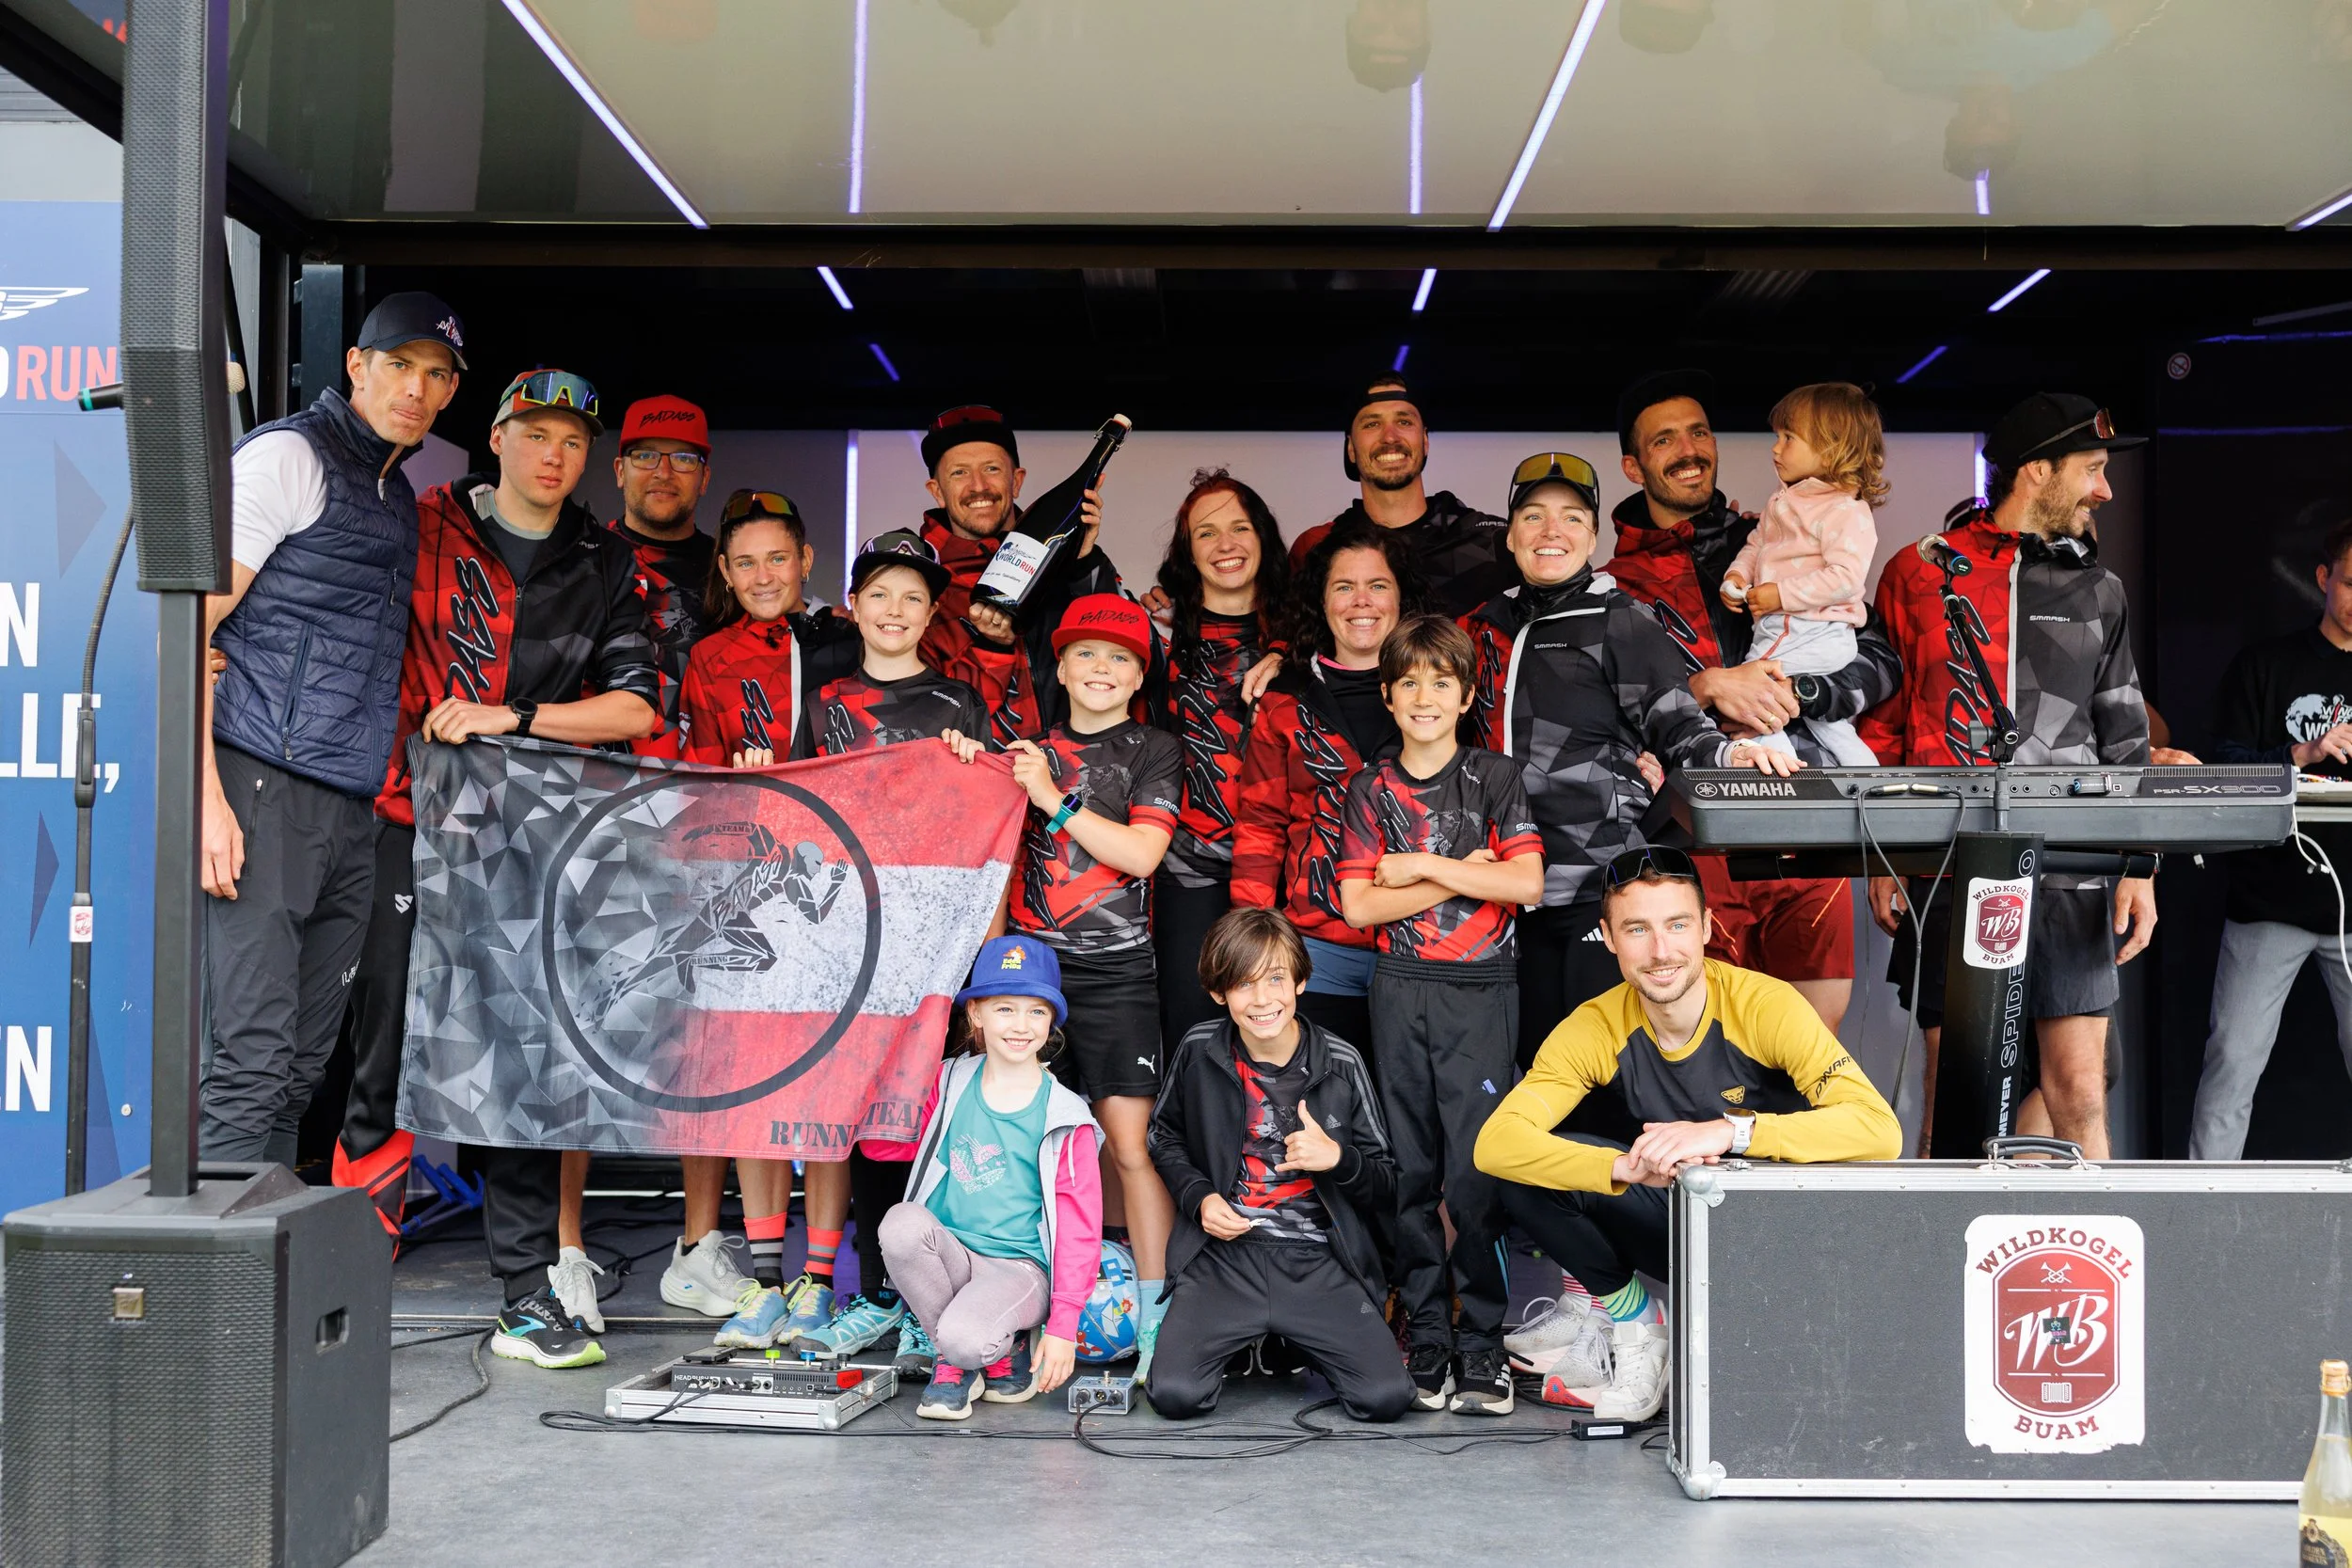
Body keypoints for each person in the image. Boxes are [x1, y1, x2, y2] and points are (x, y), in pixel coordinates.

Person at [336, 368, 660, 1370]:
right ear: (499, 435)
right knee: (382, 1052)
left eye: (573, 438)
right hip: (407, 816)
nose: (554, 454)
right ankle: (347, 1292)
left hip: (533, 837)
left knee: (522, 1065)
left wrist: (511, 718)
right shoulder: (420, 522)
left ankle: (526, 1300)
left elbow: (637, 709)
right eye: (535, 433)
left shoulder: (607, 559)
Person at [1474, 846, 1901, 1419]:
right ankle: (1637, 1325)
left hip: (1785, 1238)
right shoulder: (1597, 1023)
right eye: (1636, 929)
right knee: (1522, 1177)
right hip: (1683, 1224)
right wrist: (1620, 1168)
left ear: (1704, 927)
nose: (1660, 951)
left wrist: (1729, 1132)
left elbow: (1878, 1129)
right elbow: (1496, 1143)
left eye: (1677, 925)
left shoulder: (1765, 1005)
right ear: (1608, 937)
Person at [199, 292, 464, 1164]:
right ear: (356, 365)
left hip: (348, 806)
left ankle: (265, 1288)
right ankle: (218, 1299)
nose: (416, 389)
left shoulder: (394, 489)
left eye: (436, 375)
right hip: (259, 785)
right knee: (250, 1059)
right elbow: (187, 631)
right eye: (399, 367)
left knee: (301, 1067)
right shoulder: (288, 455)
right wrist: (206, 799)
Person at [715, 529, 992, 1361]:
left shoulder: (959, 703)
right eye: (879, 595)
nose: (895, 610)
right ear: (855, 605)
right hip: (837, 940)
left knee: (892, 1120)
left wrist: (975, 764)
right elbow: (803, 811)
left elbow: (989, 810)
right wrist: (763, 772)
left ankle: (880, 1285)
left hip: (924, 949)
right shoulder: (827, 699)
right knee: (823, 1105)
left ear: (932, 611)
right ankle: (810, 1284)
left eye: (913, 597)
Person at [1860, 393, 2157, 1160]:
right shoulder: (1919, 572)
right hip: (1950, 861)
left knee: (2081, 1089)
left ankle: (2102, 1260)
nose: (2105, 490)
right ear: (2036, 470)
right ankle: (1940, 1270)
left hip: (2074, 867)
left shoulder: (2100, 589)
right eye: (2091, 469)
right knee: (1946, 1098)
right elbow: (1887, 718)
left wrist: (2141, 867)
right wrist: (1890, 846)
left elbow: (2124, 735)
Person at [1464, 452, 1803, 1073]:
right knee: (1541, 1074)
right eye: (1533, 516)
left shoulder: (1618, 619)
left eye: (1570, 518)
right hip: (1510, 891)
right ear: (1509, 534)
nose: (1550, 532)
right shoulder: (1483, 629)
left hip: (1598, 884)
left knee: (1615, 1073)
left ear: (1592, 537)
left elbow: (1676, 723)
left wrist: (1733, 753)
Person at [1605, 368, 1905, 1035]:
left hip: (1810, 828)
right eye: (1664, 441)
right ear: (1633, 464)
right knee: (1709, 1046)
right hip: (1696, 842)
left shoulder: (1784, 534)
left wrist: (1800, 694)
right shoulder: (1612, 587)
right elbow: (1607, 716)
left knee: (1809, 1043)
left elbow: (1882, 662)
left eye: (1699, 431)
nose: (1689, 449)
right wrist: (1705, 687)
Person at [1336, 615, 1544, 1415]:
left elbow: (1525, 886)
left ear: (1465, 697)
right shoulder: (1370, 789)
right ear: (1388, 695)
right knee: (1411, 1169)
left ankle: (1483, 1343)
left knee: (1474, 1171)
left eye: (1442, 682)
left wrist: (1420, 865)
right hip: (1399, 984)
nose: (1426, 696)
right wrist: (1465, 875)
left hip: (1482, 989)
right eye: (1410, 682)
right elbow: (1359, 905)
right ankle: (1427, 1335)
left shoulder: (1495, 776)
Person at [661, 489, 860, 1321]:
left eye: (778, 557)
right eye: (744, 562)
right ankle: (768, 1273)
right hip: (744, 888)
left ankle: (825, 1271)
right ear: (725, 570)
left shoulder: (847, 641)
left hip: (833, 888)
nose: (762, 574)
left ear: (807, 561)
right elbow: (694, 778)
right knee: (752, 1083)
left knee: (829, 1084)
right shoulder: (708, 656)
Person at [1003, 594, 1184, 1380]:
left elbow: (1143, 856)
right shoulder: (1022, 750)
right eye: (1086, 652)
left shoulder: (1153, 748)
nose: (1101, 667)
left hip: (1119, 975)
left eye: (1119, 656)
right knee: (1020, 1152)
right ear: (1062, 665)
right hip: (1031, 975)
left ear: (1140, 673)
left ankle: (1154, 1313)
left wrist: (1056, 799)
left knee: (1130, 1148)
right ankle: (1024, 1310)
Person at [1145, 907, 1414, 1424]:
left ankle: (1287, 1343)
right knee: (1175, 1395)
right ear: (1219, 993)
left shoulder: (1340, 1061)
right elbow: (1162, 1135)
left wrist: (1338, 1160)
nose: (1263, 999)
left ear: (1302, 980)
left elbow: (1388, 1181)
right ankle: (1256, 1340)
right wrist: (1199, 1195)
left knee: (1385, 1398)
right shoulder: (1201, 1049)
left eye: (1275, 979)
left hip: (1317, 1259)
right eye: (1243, 985)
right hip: (1225, 1258)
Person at [881, 935, 1104, 1421]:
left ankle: (968, 1351)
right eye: (1005, 1009)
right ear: (976, 1014)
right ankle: (987, 1360)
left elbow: (1081, 1231)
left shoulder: (1066, 1117)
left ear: (1052, 1022)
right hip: (952, 1257)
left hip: (1018, 1270)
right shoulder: (947, 1082)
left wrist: (1064, 1327)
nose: (1021, 1026)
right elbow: (885, 1144)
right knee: (898, 1225)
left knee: (964, 1339)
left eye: (1036, 1012)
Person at [2190, 516, 2352, 1158]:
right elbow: (2219, 767)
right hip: (2270, 900)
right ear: (2323, 578)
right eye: (2351, 582)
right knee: (2232, 1059)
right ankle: (2200, 1208)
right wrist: (2302, 751)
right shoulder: (2266, 664)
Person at [1232, 520, 1425, 1055]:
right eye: (1344, 587)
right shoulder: (1284, 699)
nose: (1361, 601)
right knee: (1324, 1108)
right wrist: (1254, 936)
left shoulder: (1436, 689)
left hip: (1423, 941)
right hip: (1320, 948)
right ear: (1321, 601)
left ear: (1401, 597)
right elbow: (1260, 826)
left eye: (1378, 585)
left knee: (1414, 1110)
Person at [1152, 469, 1290, 1045]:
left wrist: (1285, 652)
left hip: (1283, 859)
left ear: (1263, 537)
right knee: (1192, 1028)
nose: (1226, 544)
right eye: (1207, 533)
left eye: (1239, 527)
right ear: (1187, 551)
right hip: (1187, 863)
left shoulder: (1302, 637)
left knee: (1280, 1031)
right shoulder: (1158, 637)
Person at [916, 404, 1122, 743]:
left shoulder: (1068, 561)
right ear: (937, 491)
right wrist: (988, 646)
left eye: (992, 469)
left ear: (1017, 481)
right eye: (959, 473)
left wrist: (1083, 561)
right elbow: (915, 712)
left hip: (1069, 777)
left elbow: (1125, 655)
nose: (978, 486)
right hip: (974, 782)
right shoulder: (916, 581)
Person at [1719, 382, 1887, 766]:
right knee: (1830, 726)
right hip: (1786, 628)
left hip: (1812, 631)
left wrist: (1780, 595)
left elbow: (1846, 578)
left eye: (1789, 437)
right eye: (1777, 436)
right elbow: (1756, 546)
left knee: (1755, 691)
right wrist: (1737, 578)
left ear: (1832, 447)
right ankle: (1866, 780)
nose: (1776, 448)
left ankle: (1784, 776)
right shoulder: (1782, 501)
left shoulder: (1846, 510)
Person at [1288, 375, 1516, 619]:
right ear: (1351, 449)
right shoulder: (1317, 547)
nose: (1390, 437)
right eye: (1371, 424)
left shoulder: (1494, 540)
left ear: (1425, 441)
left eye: (1404, 421)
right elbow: (1291, 636)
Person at [606, 394, 716, 760]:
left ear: (704, 478)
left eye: (684, 459)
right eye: (645, 455)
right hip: (596, 794)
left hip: (712, 792)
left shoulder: (735, 572)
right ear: (621, 471)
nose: (663, 473)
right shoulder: (583, 558)